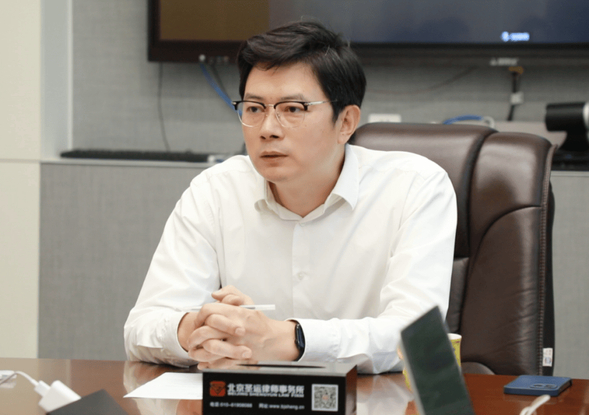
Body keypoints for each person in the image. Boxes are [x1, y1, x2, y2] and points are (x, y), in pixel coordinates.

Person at [124, 20, 456, 374]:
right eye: (254, 109)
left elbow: (418, 339)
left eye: (293, 109)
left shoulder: (415, 187)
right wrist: (199, 328)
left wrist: (289, 339)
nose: (268, 129)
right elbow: (141, 328)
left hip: (371, 399)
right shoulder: (215, 191)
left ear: (346, 122)